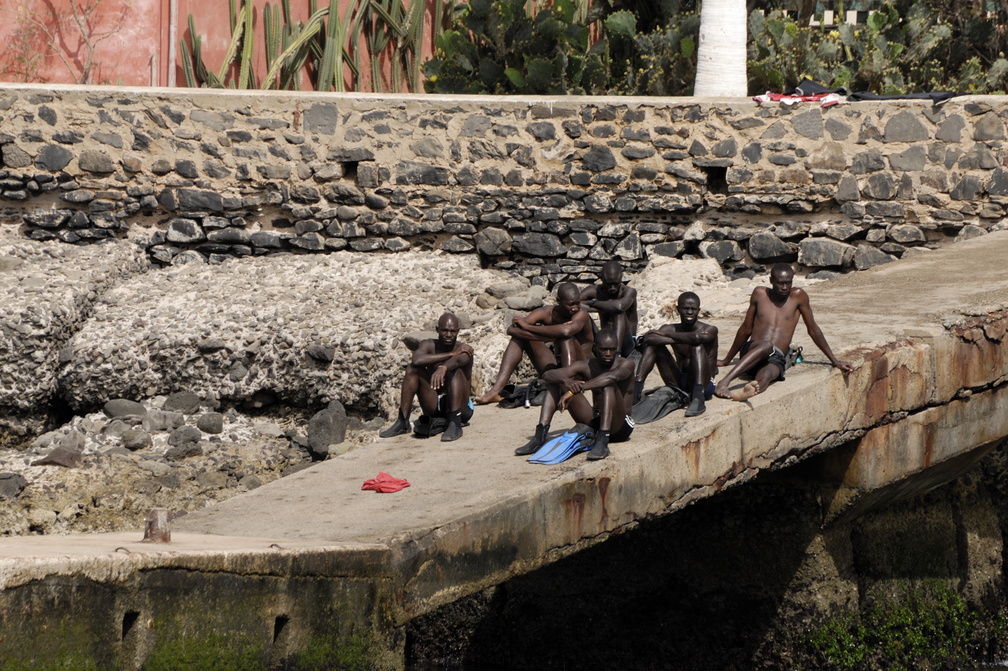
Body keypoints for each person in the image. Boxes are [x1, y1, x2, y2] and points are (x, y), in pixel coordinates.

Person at [715, 263, 853, 401]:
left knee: (767, 376)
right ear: (771, 281)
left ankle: (750, 389)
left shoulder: (798, 296)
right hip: (754, 349)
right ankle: (724, 383)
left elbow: (813, 330)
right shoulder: (760, 294)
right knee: (766, 345)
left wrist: (835, 361)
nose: (785, 287)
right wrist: (727, 360)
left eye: (788, 283)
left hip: (776, 356)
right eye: (780, 283)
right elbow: (745, 329)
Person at [515, 329, 635, 461]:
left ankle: (603, 441)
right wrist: (567, 381)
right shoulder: (587, 365)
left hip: (620, 425)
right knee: (556, 382)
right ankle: (540, 436)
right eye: (603, 350)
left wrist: (577, 389)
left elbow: (611, 377)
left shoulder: (626, 364)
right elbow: (547, 375)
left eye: (612, 350)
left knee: (608, 385)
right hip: (597, 419)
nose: (608, 354)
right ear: (595, 348)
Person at [474, 282, 594, 405]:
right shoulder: (546, 312)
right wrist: (541, 334)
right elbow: (512, 329)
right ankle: (496, 390)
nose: (575, 307)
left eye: (577, 303)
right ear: (558, 301)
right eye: (570, 304)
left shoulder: (581, 314)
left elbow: (565, 331)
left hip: (580, 369)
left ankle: (568, 389)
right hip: (556, 369)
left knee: (567, 339)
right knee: (519, 338)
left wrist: (527, 327)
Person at [379, 312, 474, 442]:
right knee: (412, 369)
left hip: (461, 409)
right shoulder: (428, 344)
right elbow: (417, 359)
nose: (448, 335)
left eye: (452, 331)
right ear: (437, 330)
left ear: (458, 331)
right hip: (435, 404)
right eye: (444, 330)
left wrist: (444, 368)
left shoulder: (463, 349)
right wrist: (451, 353)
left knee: (455, 371)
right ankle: (403, 421)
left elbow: (458, 361)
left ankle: (455, 424)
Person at [633, 291, 718, 417]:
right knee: (655, 346)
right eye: (685, 308)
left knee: (696, 346)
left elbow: (697, 338)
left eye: (693, 309)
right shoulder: (670, 327)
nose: (690, 312)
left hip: (704, 383)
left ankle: (698, 398)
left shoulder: (710, 329)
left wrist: (667, 336)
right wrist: (685, 337)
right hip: (680, 381)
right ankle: (636, 391)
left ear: (698, 310)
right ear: (678, 309)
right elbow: (649, 339)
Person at [580, 259, 638, 357]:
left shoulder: (628, 292)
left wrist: (594, 303)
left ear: (621, 278)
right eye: (608, 284)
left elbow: (619, 307)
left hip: (626, 342)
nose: (612, 288)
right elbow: (573, 304)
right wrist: (603, 307)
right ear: (602, 279)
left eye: (616, 284)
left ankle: (616, 354)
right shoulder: (594, 291)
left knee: (618, 313)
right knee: (581, 315)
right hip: (604, 338)